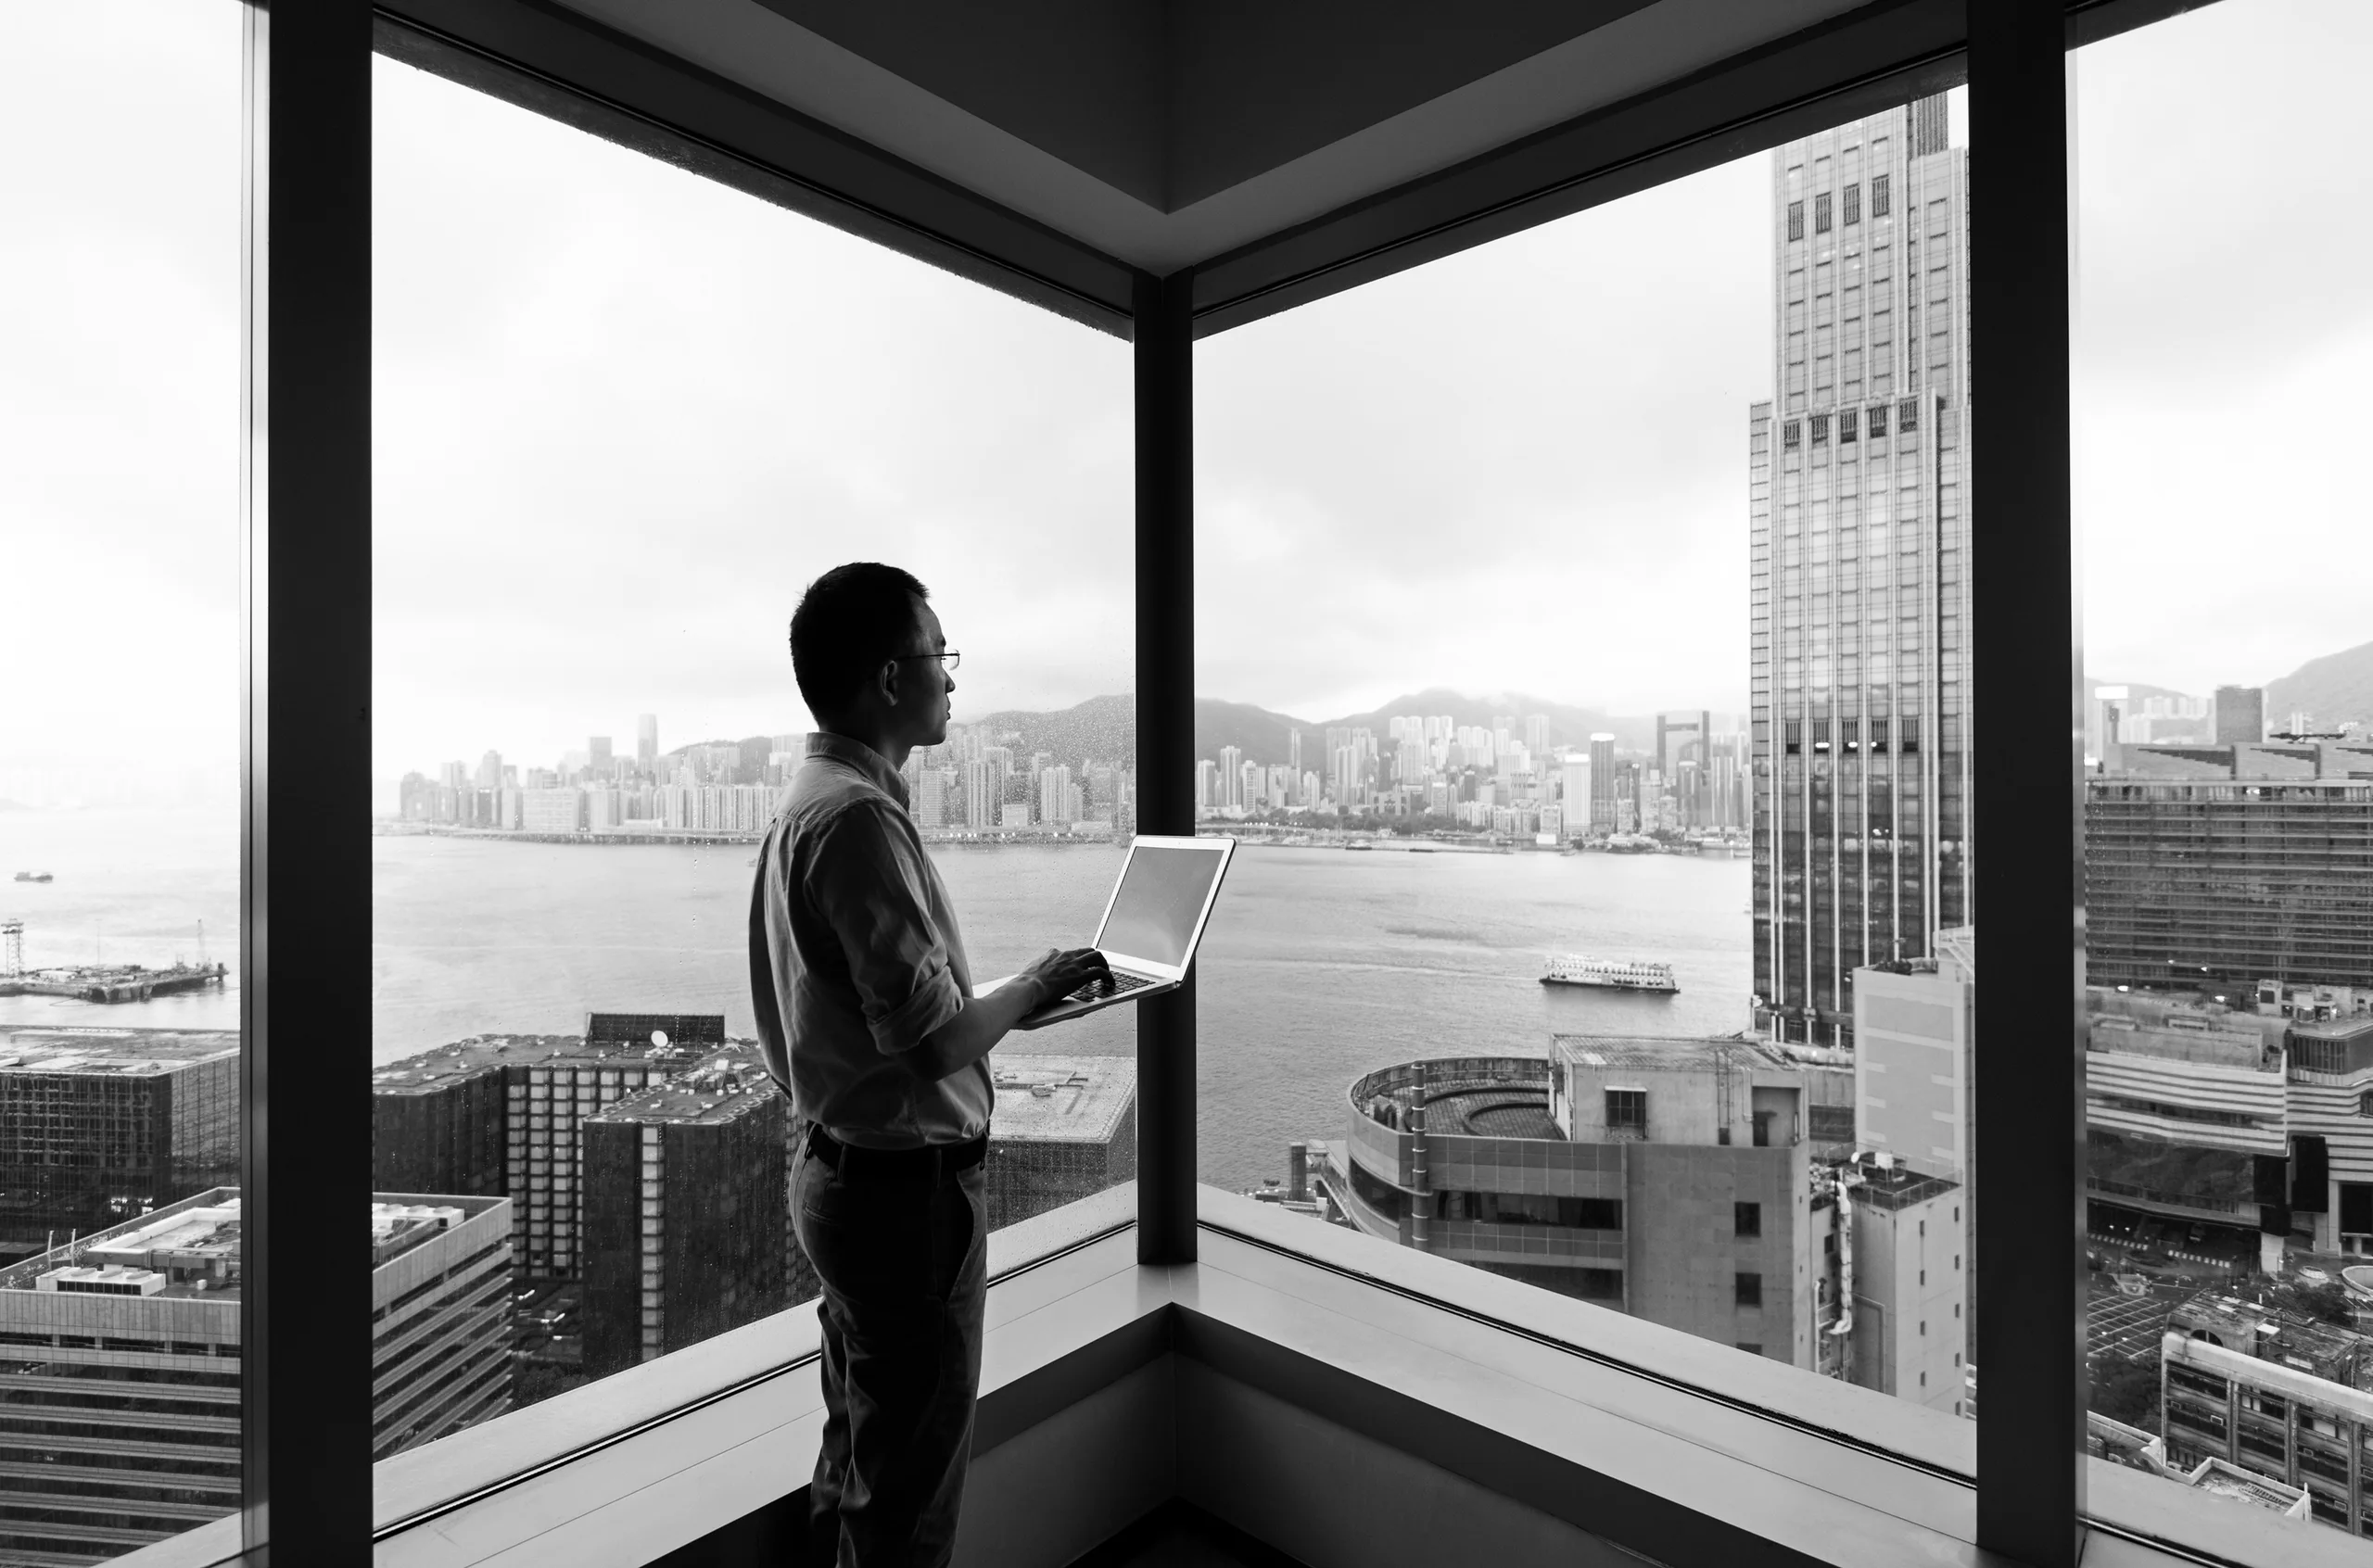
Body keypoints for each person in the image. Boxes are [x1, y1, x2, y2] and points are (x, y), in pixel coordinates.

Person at [749, 562, 1108, 1567]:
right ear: (886, 678)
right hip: (902, 1206)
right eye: (936, 656)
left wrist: (1005, 1008)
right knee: (908, 1498)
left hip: (838, 1174)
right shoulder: (858, 819)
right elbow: (929, 1045)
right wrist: (1032, 986)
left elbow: (872, 1013)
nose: (951, 680)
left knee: (857, 1457)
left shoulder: (807, 800)